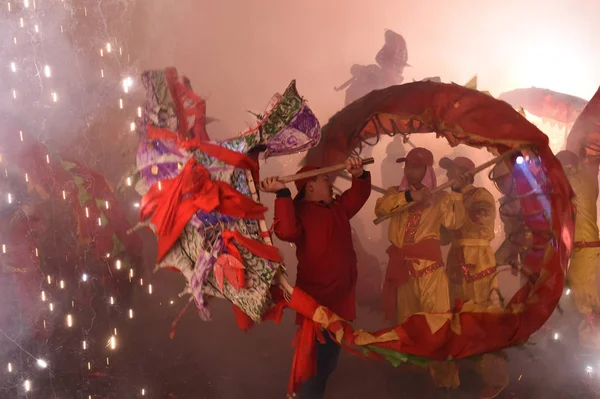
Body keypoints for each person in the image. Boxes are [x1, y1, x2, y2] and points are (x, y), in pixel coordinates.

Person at [260, 157, 371, 399]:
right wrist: (281, 193)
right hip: (316, 304)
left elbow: (359, 196)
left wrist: (360, 174)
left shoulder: (338, 208)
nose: (330, 183)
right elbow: (285, 231)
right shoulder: (300, 212)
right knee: (313, 366)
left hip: (340, 300)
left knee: (328, 362)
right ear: (310, 186)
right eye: (324, 179)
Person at [374, 147, 465, 390]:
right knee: (409, 327)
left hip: (430, 273)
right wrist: (409, 198)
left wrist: (455, 191)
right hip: (404, 273)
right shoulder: (396, 194)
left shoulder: (441, 198)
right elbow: (380, 209)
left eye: (415, 166)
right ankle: (415, 380)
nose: (410, 170)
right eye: (408, 166)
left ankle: (446, 382)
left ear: (426, 171)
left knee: (439, 328)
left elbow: (454, 222)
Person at [440, 156, 509, 399]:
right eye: (448, 173)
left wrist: (456, 202)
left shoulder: (481, 195)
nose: (448, 177)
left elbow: (478, 219)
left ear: (467, 174)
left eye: (453, 172)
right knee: (456, 316)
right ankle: (458, 371)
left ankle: (495, 378)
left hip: (478, 261)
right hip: (456, 263)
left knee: (483, 318)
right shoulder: (451, 199)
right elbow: (445, 237)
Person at [556, 150, 600, 349]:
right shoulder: (586, 180)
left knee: (584, 299)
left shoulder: (575, 181)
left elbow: (555, 189)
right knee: (588, 297)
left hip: (585, 250)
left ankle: (590, 348)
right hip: (587, 250)